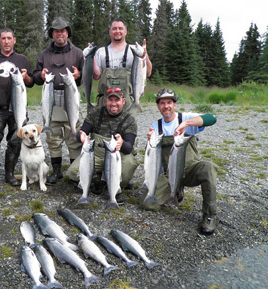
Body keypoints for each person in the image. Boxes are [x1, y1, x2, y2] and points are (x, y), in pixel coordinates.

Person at [142, 89, 218, 234]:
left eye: (169, 102)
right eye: (162, 103)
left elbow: (212, 118)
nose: (166, 106)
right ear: (158, 106)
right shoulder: (155, 126)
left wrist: (187, 124)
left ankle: (209, 215)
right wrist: (149, 141)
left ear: (175, 104)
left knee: (209, 167)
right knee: (148, 204)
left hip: (190, 170)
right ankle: (175, 190)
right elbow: (151, 156)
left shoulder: (187, 118)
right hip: (167, 174)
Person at [0, 28, 34, 188]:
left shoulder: (22, 59)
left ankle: (9, 174)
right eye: (3, 38)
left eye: (9, 38)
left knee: (17, 140)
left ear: (14, 40)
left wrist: (27, 77)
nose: (6, 41)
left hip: (18, 109)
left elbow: (30, 82)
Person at [33, 17, 84, 185]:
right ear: (52, 34)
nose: (60, 33)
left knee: (73, 136)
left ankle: (74, 171)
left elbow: (86, 76)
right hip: (50, 97)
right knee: (53, 138)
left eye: (63, 30)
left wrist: (79, 76)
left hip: (71, 97)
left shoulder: (77, 53)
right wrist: (40, 75)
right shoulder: (44, 54)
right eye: (56, 31)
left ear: (67, 33)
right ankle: (57, 171)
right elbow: (35, 77)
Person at [67, 88, 138, 204]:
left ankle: (114, 188)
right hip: (96, 154)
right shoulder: (95, 114)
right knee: (72, 173)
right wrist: (82, 136)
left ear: (123, 101)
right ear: (105, 101)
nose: (113, 103)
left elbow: (129, 147)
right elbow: (83, 131)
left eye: (117, 100)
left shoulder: (130, 120)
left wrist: (122, 143)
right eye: (110, 100)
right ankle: (97, 179)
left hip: (118, 155)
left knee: (129, 165)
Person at [93, 18, 152, 117]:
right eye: (114, 28)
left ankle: (136, 104)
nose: (117, 31)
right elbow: (96, 76)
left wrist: (145, 55)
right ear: (110, 32)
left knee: (128, 132)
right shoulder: (100, 52)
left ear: (125, 32)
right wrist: (90, 58)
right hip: (105, 105)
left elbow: (148, 73)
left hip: (128, 104)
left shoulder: (135, 50)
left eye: (120, 28)